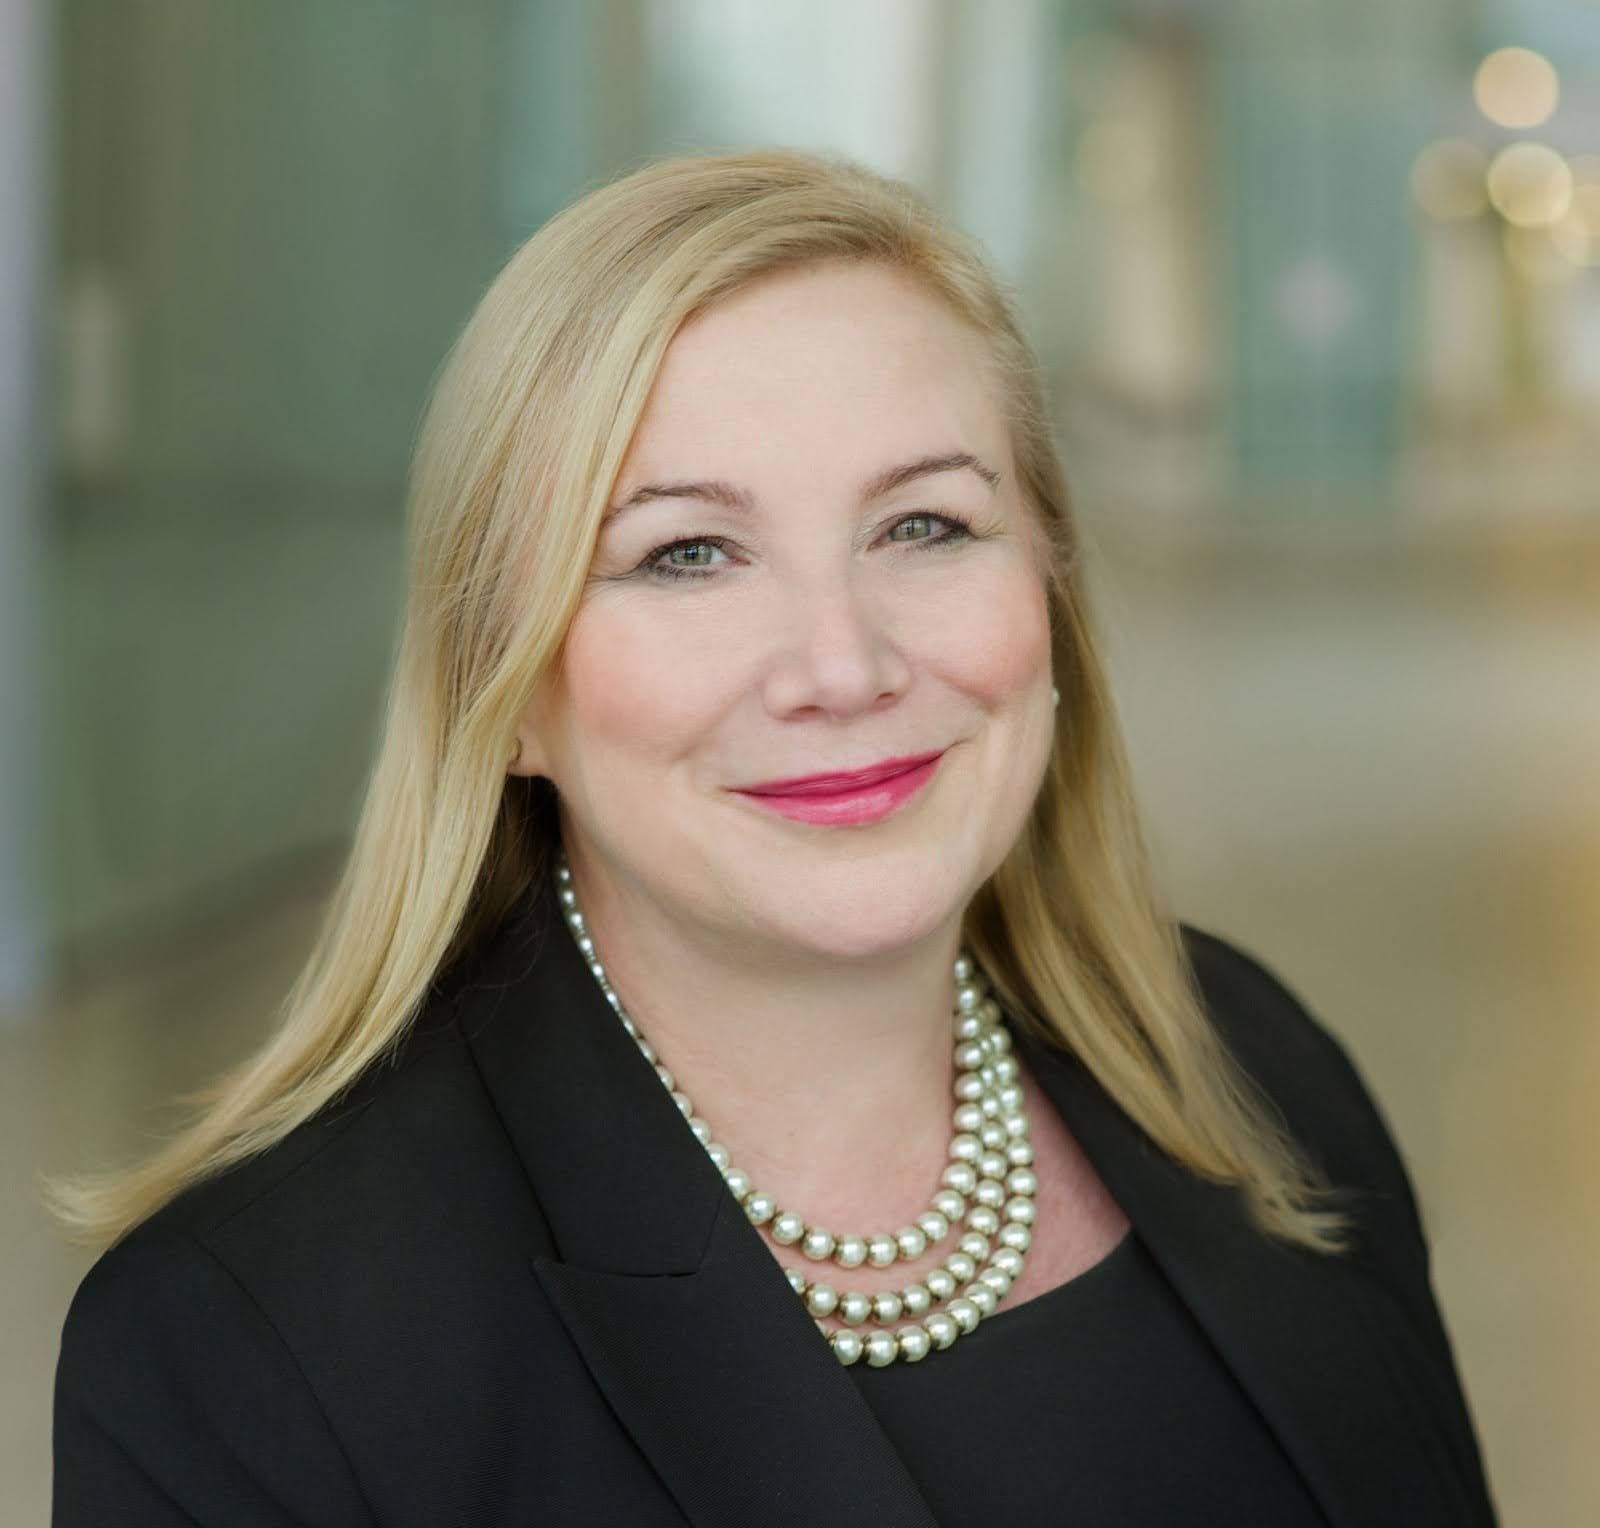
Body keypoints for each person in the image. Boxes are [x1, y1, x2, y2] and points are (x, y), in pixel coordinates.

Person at [48, 149, 1498, 1527]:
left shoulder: (1255, 1066)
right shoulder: (247, 1347)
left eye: (924, 527)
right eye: (688, 553)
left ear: (1049, 588)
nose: (843, 665)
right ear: (509, 696)